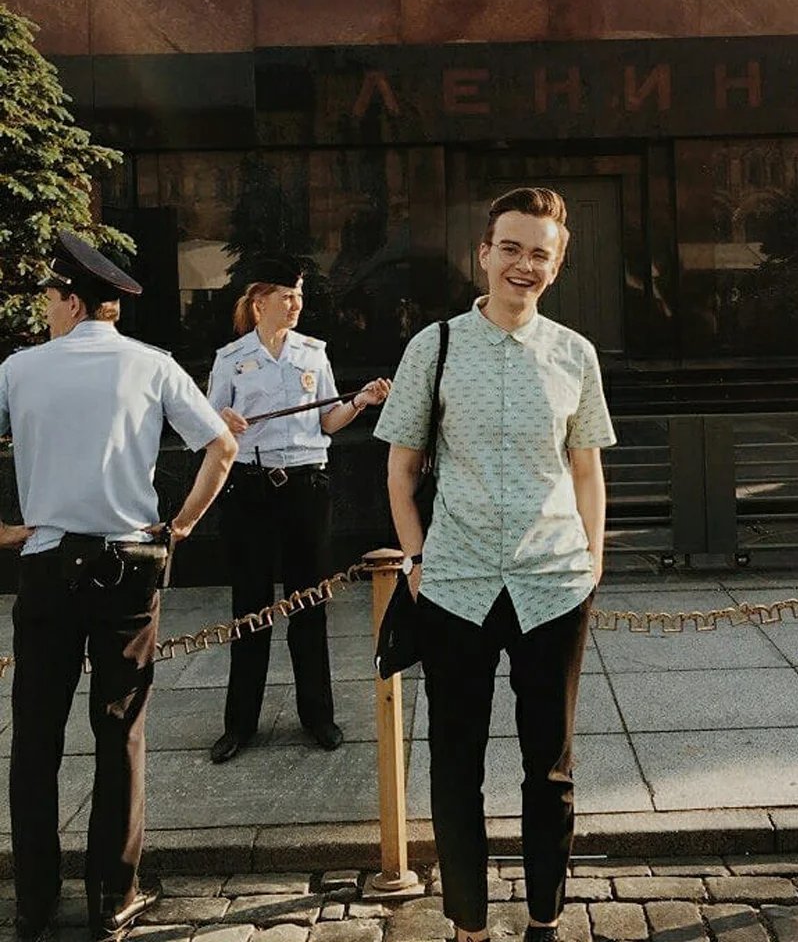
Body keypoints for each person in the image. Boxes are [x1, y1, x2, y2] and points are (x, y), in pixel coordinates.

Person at [375, 188, 616, 942]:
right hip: (456, 585)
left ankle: (545, 920)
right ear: (483, 254)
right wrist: (417, 560)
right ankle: (469, 928)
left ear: (557, 265)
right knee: (456, 768)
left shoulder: (575, 354)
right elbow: (401, 469)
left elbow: (586, 468)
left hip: (553, 585)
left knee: (552, 769)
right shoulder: (435, 346)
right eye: (510, 248)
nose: (523, 264)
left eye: (540, 253)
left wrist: (593, 560)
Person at [1, 231, 238, 942]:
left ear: (73, 301)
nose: (46, 308)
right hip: (127, 567)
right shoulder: (152, 365)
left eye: (50, 297)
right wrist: (181, 526)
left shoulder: (18, 369)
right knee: (120, 732)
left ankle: (34, 900)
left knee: (35, 736)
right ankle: (113, 895)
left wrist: (2, 530)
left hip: (47, 563)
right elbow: (222, 446)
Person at [206, 257, 390, 764]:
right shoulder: (231, 358)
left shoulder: (313, 353)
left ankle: (318, 716)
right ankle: (240, 724)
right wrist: (222, 421)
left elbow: (328, 421)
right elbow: (207, 424)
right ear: (259, 303)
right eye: (287, 296)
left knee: (309, 603)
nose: (296, 305)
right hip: (251, 489)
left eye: (300, 296)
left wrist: (361, 402)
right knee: (250, 608)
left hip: (306, 488)